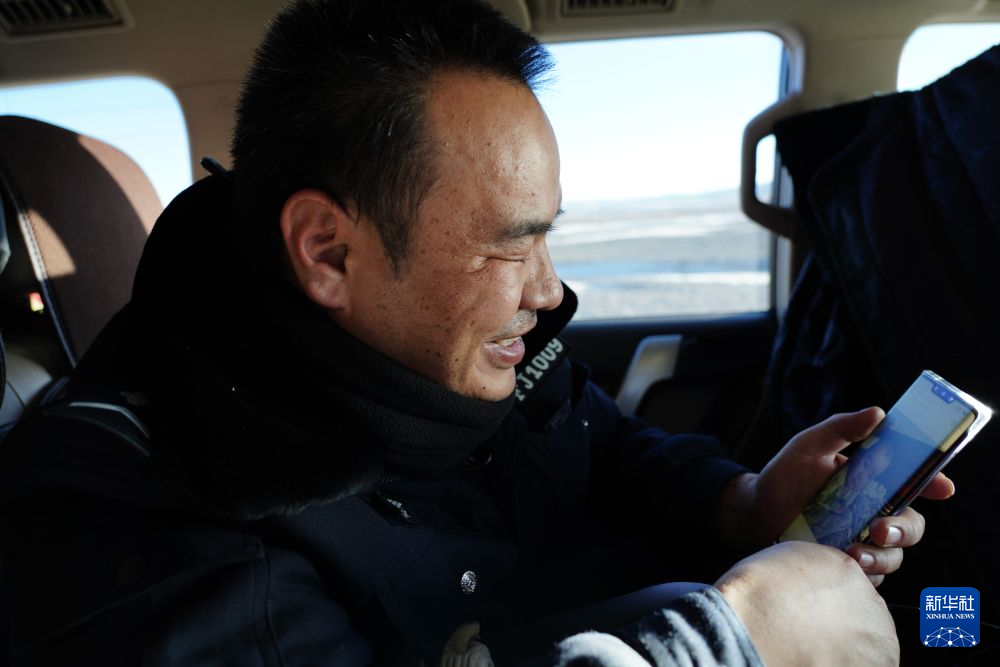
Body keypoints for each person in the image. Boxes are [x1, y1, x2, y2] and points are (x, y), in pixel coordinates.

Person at [0, 1, 953, 665]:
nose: (549, 288)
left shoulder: (463, 340)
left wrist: (740, 502)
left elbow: (601, 441)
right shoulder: (144, 542)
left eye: (548, 234)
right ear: (329, 251)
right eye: (510, 244)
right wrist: (733, 645)